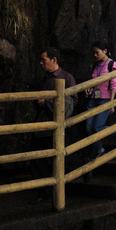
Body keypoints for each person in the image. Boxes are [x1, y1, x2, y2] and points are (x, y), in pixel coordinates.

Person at [29, 46, 77, 204]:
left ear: (54, 60)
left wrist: (47, 102)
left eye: (44, 60)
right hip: (42, 124)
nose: (41, 63)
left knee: (62, 157)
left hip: (58, 127)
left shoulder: (66, 77)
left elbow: (71, 103)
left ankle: (83, 166)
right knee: (37, 159)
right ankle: (45, 192)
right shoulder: (43, 79)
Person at [85, 41, 116, 160]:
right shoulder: (95, 65)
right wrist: (88, 87)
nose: (95, 55)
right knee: (89, 127)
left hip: (106, 98)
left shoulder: (112, 64)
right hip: (94, 98)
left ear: (105, 51)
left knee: (97, 127)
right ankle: (100, 149)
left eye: (97, 52)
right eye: (93, 53)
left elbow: (114, 84)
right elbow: (92, 80)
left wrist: (112, 102)